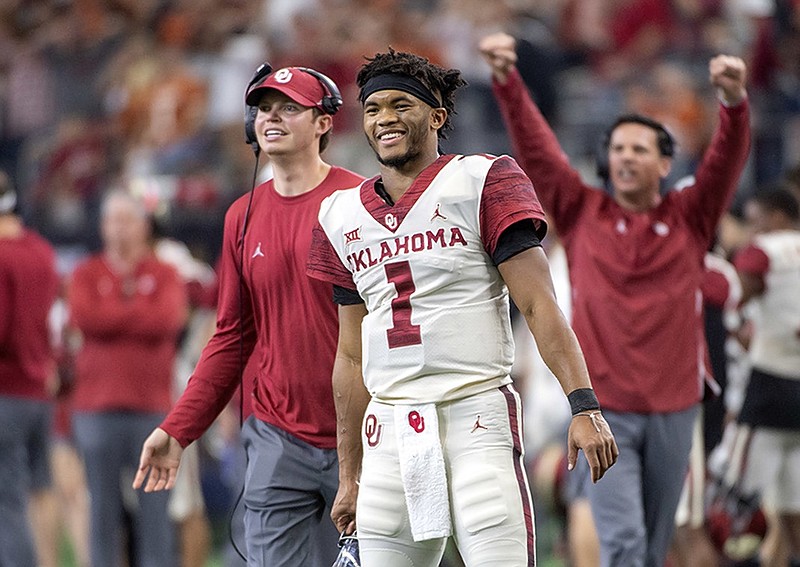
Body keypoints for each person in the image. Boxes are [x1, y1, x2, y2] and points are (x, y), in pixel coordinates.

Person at [306, 49, 618, 567]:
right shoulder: (338, 215)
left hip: (475, 417)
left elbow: (539, 305)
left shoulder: (483, 180)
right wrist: (349, 474)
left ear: (436, 116)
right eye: (373, 107)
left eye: (400, 104)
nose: (384, 118)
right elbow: (352, 356)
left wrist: (583, 404)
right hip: (388, 434)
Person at [479, 32, 751, 567]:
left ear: (664, 163)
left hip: (676, 411)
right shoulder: (582, 213)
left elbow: (726, 161)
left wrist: (734, 104)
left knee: (651, 545)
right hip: (605, 411)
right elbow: (539, 150)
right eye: (618, 148)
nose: (625, 156)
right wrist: (508, 82)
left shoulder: (691, 217)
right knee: (622, 544)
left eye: (639, 149)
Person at [132, 65, 365, 566]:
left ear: (323, 123)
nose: (271, 118)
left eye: (289, 108)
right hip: (278, 434)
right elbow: (231, 337)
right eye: (262, 109)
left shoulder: (361, 201)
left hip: (367, 430)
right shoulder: (242, 215)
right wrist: (178, 429)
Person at [68, 189, 188, 567]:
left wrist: (112, 316)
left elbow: (167, 321)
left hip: (151, 409)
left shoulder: (166, 273)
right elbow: (85, 318)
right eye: (111, 221)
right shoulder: (85, 272)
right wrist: (135, 313)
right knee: (101, 509)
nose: (118, 229)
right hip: (95, 408)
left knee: (156, 513)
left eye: (126, 220)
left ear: (143, 225)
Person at [732, 187, 800, 566]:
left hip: (768, 389)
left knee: (739, 502)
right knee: (793, 502)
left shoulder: (764, 251)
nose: (751, 231)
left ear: (775, 216)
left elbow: (738, 293)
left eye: (756, 221)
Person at [0, 170, 60, 566]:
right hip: (40, 389)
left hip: (6, 391)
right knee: (41, 492)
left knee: (8, 506)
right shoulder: (41, 250)